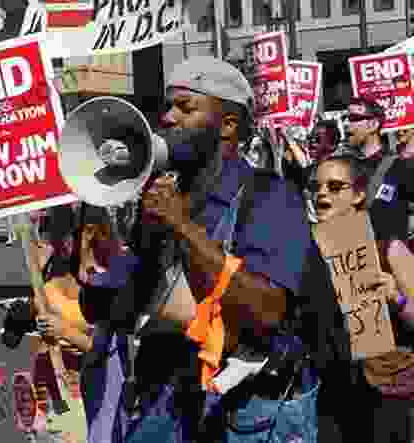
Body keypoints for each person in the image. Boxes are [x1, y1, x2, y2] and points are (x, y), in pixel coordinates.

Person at [80, 56, 314, 443]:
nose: (168, 117)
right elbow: (113, 311)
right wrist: (95, 246)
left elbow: (267, 311)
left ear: (228, 126)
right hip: (163, 403)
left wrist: (182, 227)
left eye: (186, 107)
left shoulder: (270, 197)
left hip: (237, 414)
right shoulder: (162, 200)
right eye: (167, 107)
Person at [307, 152, 414, 442]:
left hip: (386, 401)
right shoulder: (308, 249)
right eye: (316, 187)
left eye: (335, 186)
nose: (322, 194)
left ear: (358, 195)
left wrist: (396, 297)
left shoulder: (386, 248)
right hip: (330, 402)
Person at [346, 96, 414, 249]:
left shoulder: (399, 166)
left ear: (373, 124)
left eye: (353, 118)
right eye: (346, 118)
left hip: (390, 267)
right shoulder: (344, 167)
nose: (346, 123)